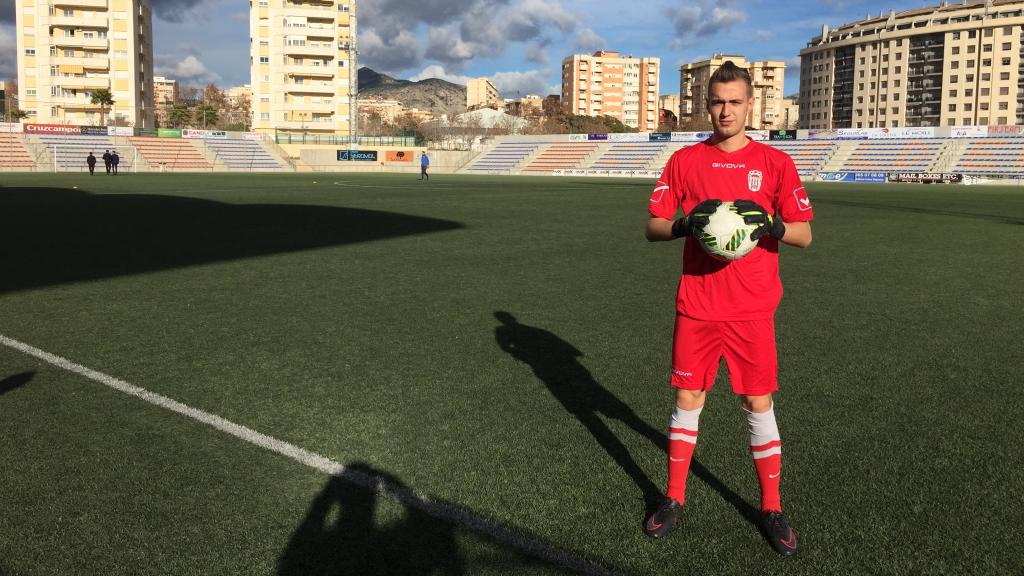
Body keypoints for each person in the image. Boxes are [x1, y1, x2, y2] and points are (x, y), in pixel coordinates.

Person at [642, 61, 813, 557]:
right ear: (707, 104)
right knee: (688, 399)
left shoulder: (776, 164)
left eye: (735, 101)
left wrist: (774, 228)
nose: (725, 111)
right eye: (717, 102)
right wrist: (682, 226)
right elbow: (652, 225)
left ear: (749, 104)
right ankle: (674, 497)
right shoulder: (685, 161)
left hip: (752, 309)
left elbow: (804, 234)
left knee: (757, 403)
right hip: (697, 305)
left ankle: (772, 506)